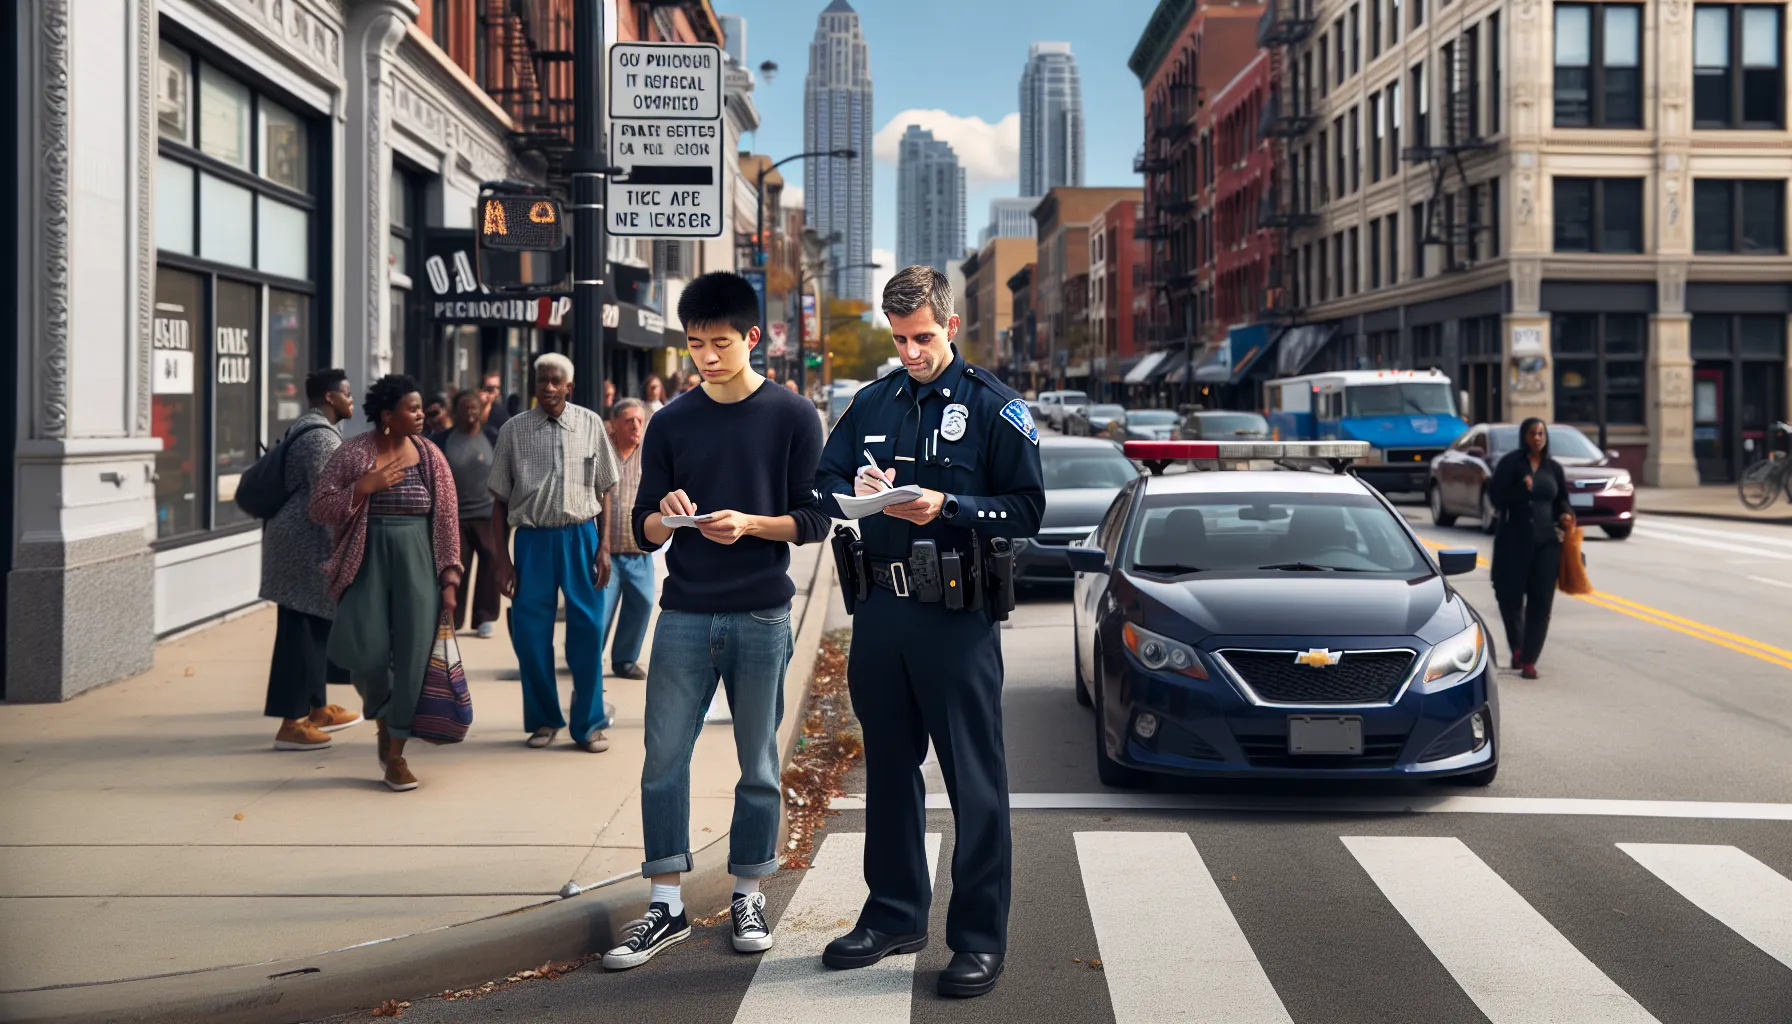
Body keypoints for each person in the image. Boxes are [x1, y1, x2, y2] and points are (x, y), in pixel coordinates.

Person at [812, 266, 1043, 998]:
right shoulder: (872, 402)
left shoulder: (992, 408)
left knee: (974, 782)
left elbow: (1027, 508)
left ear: (950, 326)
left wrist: (947, 506)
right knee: (887, 771)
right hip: (881, 613)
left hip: (957, 618)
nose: (910, 351)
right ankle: (893, 915)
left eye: (921, 337)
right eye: (899, 339)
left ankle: (977, 940)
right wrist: (862, 497)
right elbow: (821, 484)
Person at [602, 271, 828, 971]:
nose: (706, 356)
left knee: (758, 765)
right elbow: (637, 528)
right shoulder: (670, 422)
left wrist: (752, 524)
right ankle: (665, 906)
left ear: (752, 338)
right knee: (663, 760)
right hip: (685, 616)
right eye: (696, 343)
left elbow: (815, 519)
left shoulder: (793, 416)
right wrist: (664, 523)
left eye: (719, 343)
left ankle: (747, 893)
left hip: (762, 612)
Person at [311, 374, 462, 792]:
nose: (421, 414)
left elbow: (447, 519)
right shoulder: (354, 453)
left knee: (414, 656)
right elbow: (319, 507)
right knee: (364, 650)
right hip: (366, 561)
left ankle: (395, 752)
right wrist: (364, 486)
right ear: (386, 416)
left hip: (418, 562)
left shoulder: (431, 456)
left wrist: (449, 575)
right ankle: (383, 714)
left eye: (421, 408)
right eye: (412, 408)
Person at [489, 353, 622, 752]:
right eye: (542, 380)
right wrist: (501, 559)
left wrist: (604, 546)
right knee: (530, 636)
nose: (548, 387)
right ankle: (545, 718)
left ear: (569, 386)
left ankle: (589, 723)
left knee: (587, 631)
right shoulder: (513, 430)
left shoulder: (590, 424)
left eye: (555, 381)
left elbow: (605, 490)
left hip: (581, 537)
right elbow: (498, 500)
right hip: (532, 541)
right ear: (535, 385)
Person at [260, 368, 360, 750]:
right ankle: (291, 723)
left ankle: (317, 709)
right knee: (299, 635)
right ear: (331, 398)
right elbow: (329, 501)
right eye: (347, 394)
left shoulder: (317, 429)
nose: (352, 400)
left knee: (316, 628)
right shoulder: (321, 439)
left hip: (304, 544)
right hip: (302, 549)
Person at [1490, 417, 1574, 680]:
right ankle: (1517, 647)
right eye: (1532, 433)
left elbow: (1562, 501)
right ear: (1524, 436)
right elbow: (1495, 498)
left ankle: (1529, 660)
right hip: (1513, 541)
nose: (1537, 438)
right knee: (1510, 598)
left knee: (1541, 603)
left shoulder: (1554, 469)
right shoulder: (1510, 464)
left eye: (1540, 433)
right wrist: (1519, 488)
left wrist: (1565, 515)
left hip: (1547, 544)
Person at [431, 391, 502, 638]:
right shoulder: (442, 439)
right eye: (464, 408)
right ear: (455, 411)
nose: (470, 413)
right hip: (455, 517)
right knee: (456, 567)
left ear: (481, 410)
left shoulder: (492, 436)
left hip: (488, 513)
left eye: (474, 408)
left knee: (491, 562)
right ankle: (453, 617)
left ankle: (485, 617)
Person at [600, 399, 653, 680]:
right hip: (605, 551)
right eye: (629, 420)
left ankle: (624, 660)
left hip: (639, 551)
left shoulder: (650, 454)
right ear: (615, 424)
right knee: (600, 610)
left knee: (642, 604)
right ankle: (587, 659)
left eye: (640, 421)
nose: (636, 426)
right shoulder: (601, 452)